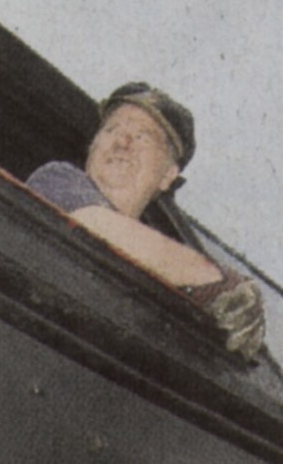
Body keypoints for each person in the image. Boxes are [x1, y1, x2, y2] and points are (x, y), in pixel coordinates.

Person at [26, 82, 264, 361]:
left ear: (167, 176)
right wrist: (222, 283)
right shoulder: (56, 181)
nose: (122, 142)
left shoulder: (163, 263)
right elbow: (100, 227)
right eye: (112, 130)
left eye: (143, 137)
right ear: (92, 147)